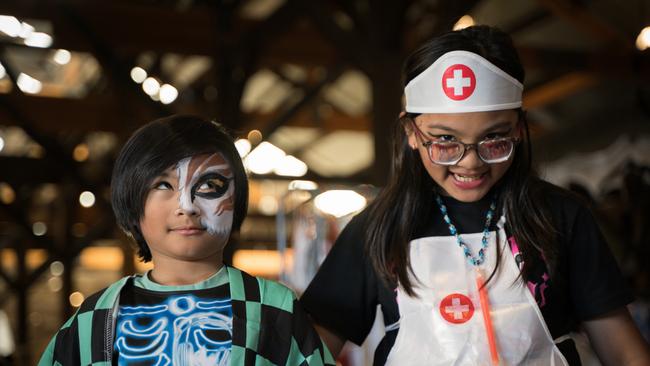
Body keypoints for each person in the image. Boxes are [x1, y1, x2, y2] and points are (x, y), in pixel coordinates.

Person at [300, 25, 650, 365]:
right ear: (410, 131)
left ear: (518, 128)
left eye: (494, 138)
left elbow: (622, 351)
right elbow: (309, 352)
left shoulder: (560, 217)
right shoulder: (379, 228)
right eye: (445, 140)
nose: (470, 162)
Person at [39, 115, 333, 366]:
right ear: (131, 200)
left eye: (209, 185)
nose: (187, 206)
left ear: (238, 197)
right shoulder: (92, 318)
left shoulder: (276, 308)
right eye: (163, 184)